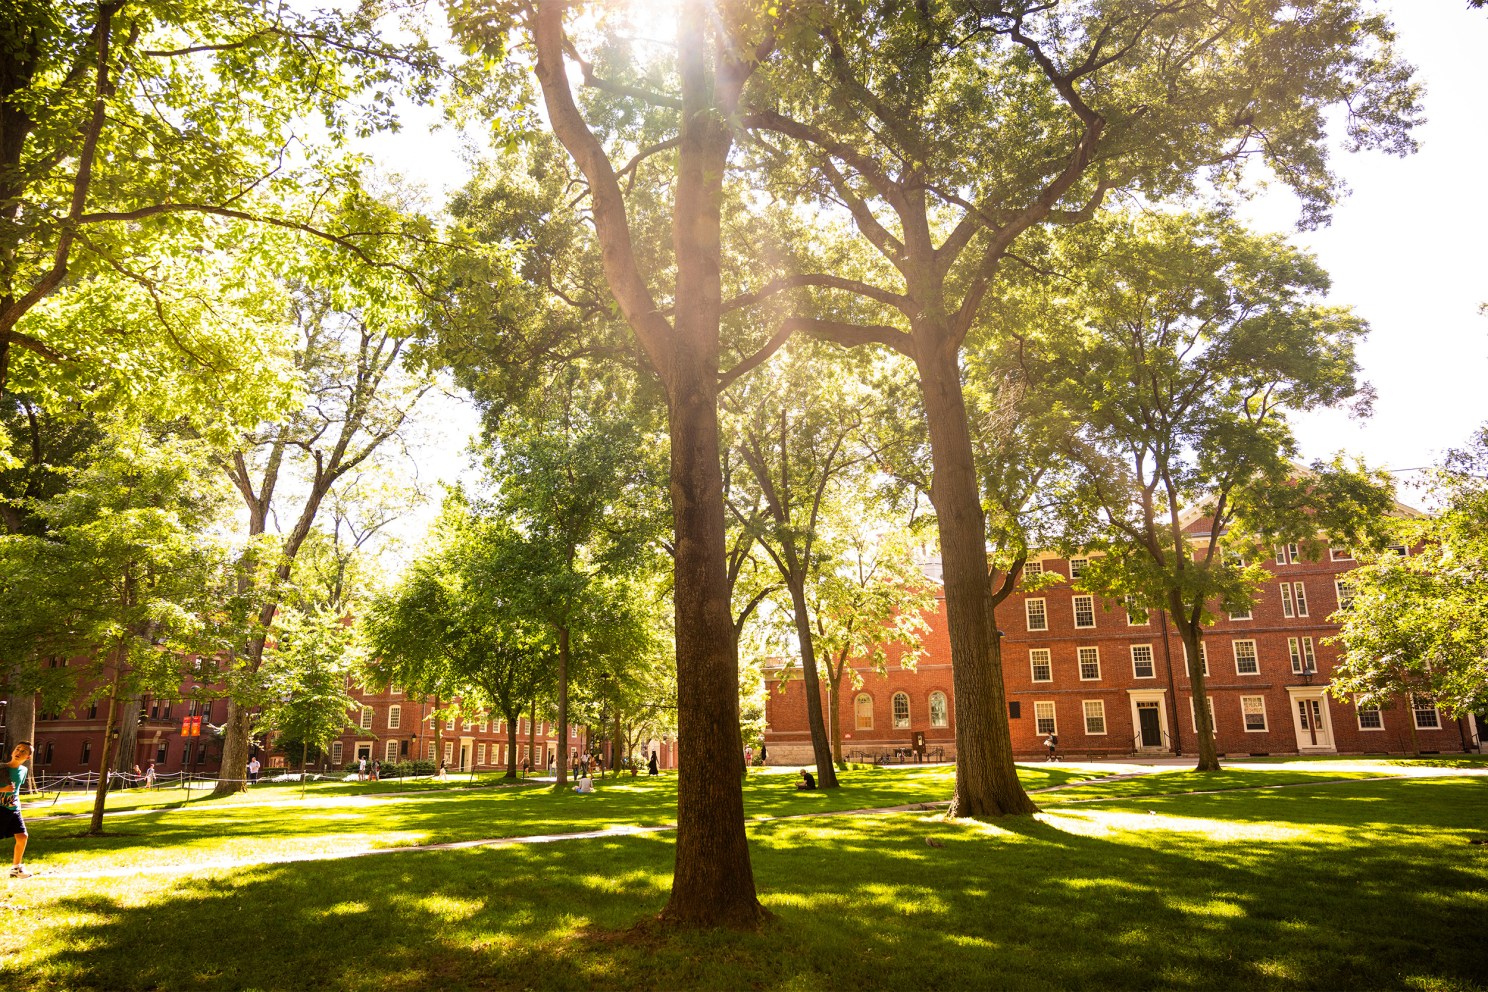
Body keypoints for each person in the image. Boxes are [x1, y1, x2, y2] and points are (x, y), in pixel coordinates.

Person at [1, 741, 33, 878]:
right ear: (13, 752)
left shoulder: (24, 770)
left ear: (28, 757)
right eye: (17, 749)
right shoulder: (2, 768)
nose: (19, 752)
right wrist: (3, 789)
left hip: (14, 809)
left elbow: (17, 790)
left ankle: (16, 869)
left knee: (22, 836)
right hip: (0, 809)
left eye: (23, 751)